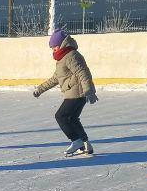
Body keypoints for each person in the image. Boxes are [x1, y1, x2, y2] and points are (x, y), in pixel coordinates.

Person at [33, 29, 98, 157]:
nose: (53, 50)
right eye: (52, 48)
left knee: (61, 116)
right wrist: (40, 89)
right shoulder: (62, 58)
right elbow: (55, 79)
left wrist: (88, 90)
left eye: (55, 47)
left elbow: (83, 73)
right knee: (72, 119)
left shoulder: (71, 55)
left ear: (62, 44)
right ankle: (85, 144)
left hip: (77, 93)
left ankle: (76, 141)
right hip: (73, 92)